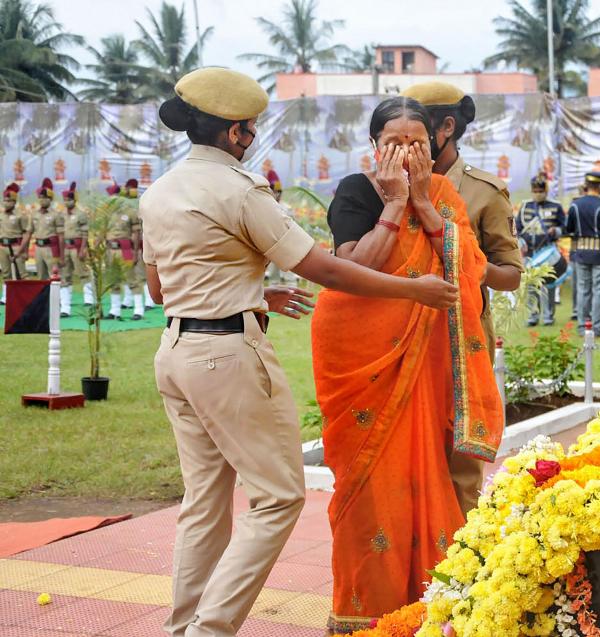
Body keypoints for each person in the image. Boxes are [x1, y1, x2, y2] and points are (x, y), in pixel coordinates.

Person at [141, 69, 457, 637]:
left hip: (176, 351)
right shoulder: (240, 188)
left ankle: (183, 625)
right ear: (238, 133)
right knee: (279, 498)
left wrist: (253, 291)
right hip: (226, 356)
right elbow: (325, 268)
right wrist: (415, 289)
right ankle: (207, 630)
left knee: (205, 502)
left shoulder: (161, 189)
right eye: (251, 127)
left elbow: (160, 290)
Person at [311, 96, 503, 633]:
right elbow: (352, 269)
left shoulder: (443, 195)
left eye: (416, 142)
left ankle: (433, 604)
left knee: (435, 477)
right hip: (367, 363)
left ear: (434, 146)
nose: (406, 150)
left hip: (431, 362)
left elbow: (471, 270)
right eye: (393, 141)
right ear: (374, 146)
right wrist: (394, 205)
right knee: (372, 488)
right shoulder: (356, 191)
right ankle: (365, 612)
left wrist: (423, 204)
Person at [399, 81, 522, 516]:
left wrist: (468, 261)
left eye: (415, 131)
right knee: (407, 458)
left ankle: (460, 563)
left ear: (445, 127)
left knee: (461, 464)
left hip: (460, 340)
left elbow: (510, 275)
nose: (404, 143)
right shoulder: (383, 186)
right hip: (398, 339)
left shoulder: (483, 192)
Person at [565, 171, 600, 336]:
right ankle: (596, 326)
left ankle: (582, 326)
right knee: (599, 290)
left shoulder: (575, 205)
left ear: (587, 185)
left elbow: (569, 229)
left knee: (583, 289)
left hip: (580, 252)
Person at [516, 172, 564, 326]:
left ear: (546, 191)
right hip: (530, 252)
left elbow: (565, 227)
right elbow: (518, 229)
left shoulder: (555, 206)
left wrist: (555, 231)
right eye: (535, 191)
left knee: (548, 284)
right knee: (531, 285)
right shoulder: (525, 207)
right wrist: (521, 242)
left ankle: (549, 316)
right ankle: (532, 315)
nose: (537, 194)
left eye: (540, 191)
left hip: (547, 251)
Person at [105, 178, 146, 320]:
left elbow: (136, 233)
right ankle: (114, 310)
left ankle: (139, 310)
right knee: (113, 281)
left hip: (126, 249)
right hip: (110, 250)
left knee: (132, 279)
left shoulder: (130, 212)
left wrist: (135, 252)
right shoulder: (107, 213)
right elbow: (102, 232)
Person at [60, 182, 92, 317]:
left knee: (83, 273)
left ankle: (89, 301)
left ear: (75, 200)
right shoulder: (61, 214)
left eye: (70, 200)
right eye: (66, 200)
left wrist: (83, 249)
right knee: (64, 276)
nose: (67, 202)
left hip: (77, 247)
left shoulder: (81, 214)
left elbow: (85, 233)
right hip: (65, 247)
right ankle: (65, 307)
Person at [1, 183, 31, 304]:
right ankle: (6, 296)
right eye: (4, 200)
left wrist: (24, 251)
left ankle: (27, 296)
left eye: (9, 201)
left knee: (22, 274)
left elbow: (26, 234)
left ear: (14, 202)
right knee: (6, 273)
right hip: (3, 246)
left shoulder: (21, 215)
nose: (6, 203)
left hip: (16, 246)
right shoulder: (1, 215)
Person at [31, 177, 64, 281]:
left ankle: (58, 297)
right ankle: (45, 297)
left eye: (45, 198)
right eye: (40, 197)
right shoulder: (34, 214)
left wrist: (61, 256)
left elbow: (61, 237)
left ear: (50, 199)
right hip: (38, 248)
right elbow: (28, 233)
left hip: (51, 248)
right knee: (41, 277)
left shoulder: (56, 214)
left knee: (55, 276)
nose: (42, 200)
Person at [263, 169, 291, 285]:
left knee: (289, 274)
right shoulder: (264, 207)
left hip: (286, 242)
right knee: (273, 273)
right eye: (275, 191)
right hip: (271, 244)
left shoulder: (286, 208)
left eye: (279, 192)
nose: (277, 194)